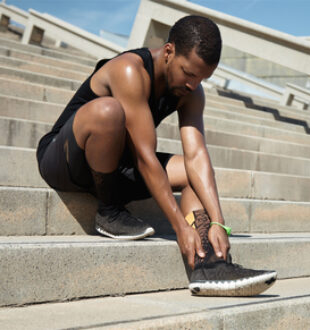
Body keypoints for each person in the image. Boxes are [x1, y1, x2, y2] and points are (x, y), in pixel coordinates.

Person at [36, 15, 276, 296]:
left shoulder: (192, 92)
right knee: (109, 111)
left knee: (191, 174)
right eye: (188, 73)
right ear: (169, 51)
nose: (193, 84)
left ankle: (210, 266)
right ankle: (108, 211)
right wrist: (178, 226)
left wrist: (217, 222)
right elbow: (145, 155)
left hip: (119, 166)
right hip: (65, 160)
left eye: (202, 78)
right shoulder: (129, 69)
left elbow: (196, 154)